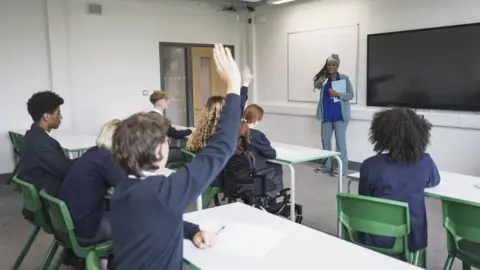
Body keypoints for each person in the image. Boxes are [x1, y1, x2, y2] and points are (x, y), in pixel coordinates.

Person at [109, 43, 242, 270]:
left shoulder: (124, 188)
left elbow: (156, 219)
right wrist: (234, 86)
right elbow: (221, 147)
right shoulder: (163, 193)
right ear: (161, 151)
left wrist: (192, 231)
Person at [358, 108, 440, 253]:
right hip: (411, 239)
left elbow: (365, 198)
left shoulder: (369, 165)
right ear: (420, 134)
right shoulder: (425, 161)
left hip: (374, 237)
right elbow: (434, 181)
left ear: (380, 134)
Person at [59, 119, 124, 243]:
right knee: (133, 222)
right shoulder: (107, 158)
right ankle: (108, 259)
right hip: (84, 229)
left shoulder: (93, 152)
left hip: (67, 224)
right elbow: (128, 185)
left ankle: (104, 258)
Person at [18, 91, 71, 198]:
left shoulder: (31, 135)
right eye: (58, 113)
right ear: (46, 116)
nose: (61, 117)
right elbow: (66, 171)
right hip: (49, 197)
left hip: (42, 189)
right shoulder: (42, 144)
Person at [186, 65, 252, 152]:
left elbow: (239, 105)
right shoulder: (226, 128)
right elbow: (238, 105)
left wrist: (245, 84)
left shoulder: (201, 131)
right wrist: (245, 84)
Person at [313, 54, 354, 176]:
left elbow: (350, 95)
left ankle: (341, 169)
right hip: (326, 115)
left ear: (337, 66)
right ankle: (327, 165)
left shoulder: (344, 79)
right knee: (325, 140)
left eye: (333, 64)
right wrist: (322, 78)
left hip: (340, 116)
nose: (331, 66)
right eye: (329, 64)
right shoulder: (324, 79)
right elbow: (316, 86)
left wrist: (337, 94)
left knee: (340, 143)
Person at [242, 104, 283, 193]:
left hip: (239, 169)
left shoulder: (235, 131)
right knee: (276, 166)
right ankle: (274, 193)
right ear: (256, 120)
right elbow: (271, 154)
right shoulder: (257, 135)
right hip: (252, 168)